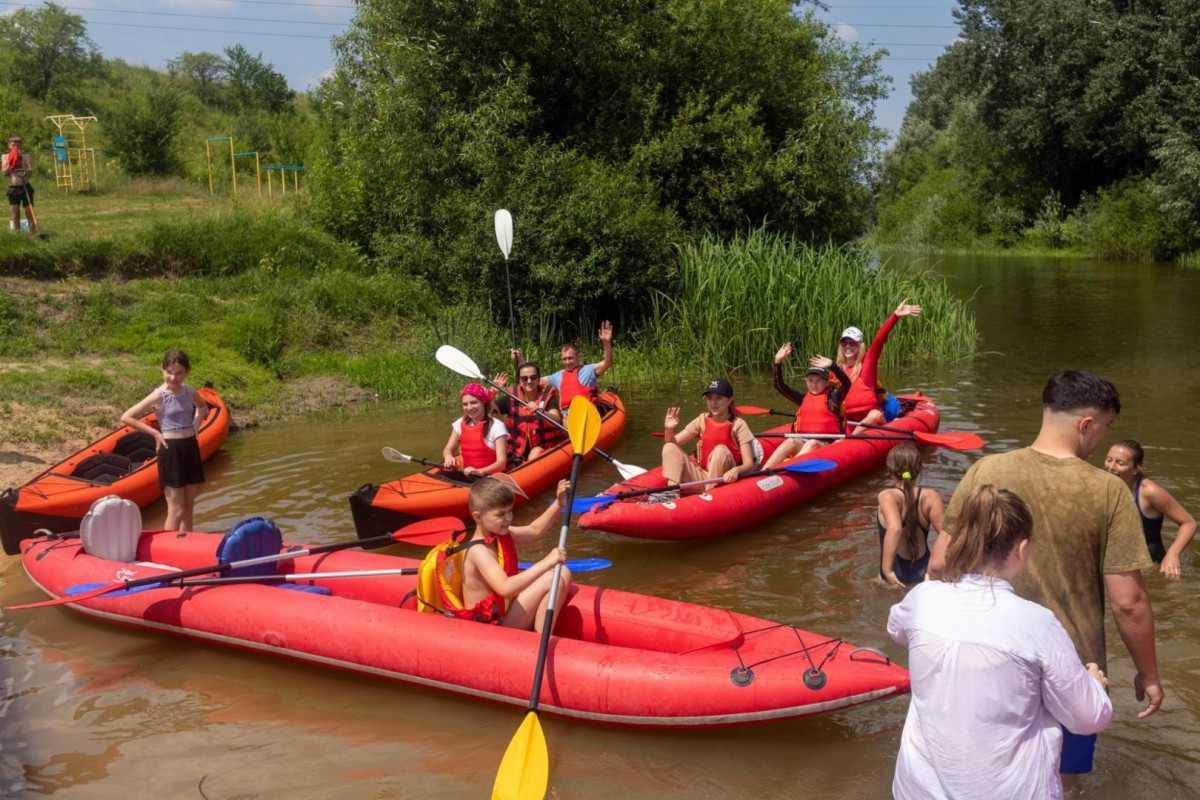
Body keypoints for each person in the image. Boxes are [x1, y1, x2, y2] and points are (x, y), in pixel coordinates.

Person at [928, 370, 1162, 785]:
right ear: (1087, 424)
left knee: (981, 777)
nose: (1102, 439)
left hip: (986, 660)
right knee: (1061, 784)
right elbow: (1129, 602)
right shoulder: (1107, 491)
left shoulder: (985, 469)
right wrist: (1149, 674)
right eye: (1105, 428)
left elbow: (940, 565)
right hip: (1072, 670)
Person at [888, 484, 1112, 800]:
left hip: (916, 790)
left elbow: (896, 629)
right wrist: (1094, 686)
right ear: (1021, 550)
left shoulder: (922, 599)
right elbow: (1088, 718)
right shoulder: (1038, 622)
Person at [460, 477, 572, 632]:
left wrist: (558, 504)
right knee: (553, 578)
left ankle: (542, 633)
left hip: (506, 611)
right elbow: (505, 588)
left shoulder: (500, 533)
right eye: (500, 515)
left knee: (563, 572)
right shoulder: (478, 551)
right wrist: (547, 562)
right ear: (478, 517)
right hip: (490, 628)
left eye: (510, 511)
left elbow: (535, 530)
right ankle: (539, 640)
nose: (508, 518)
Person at [120, 349, 209, 531]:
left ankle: (186, 547)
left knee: (188, 508)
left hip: (190, 447)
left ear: (187, 372)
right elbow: (127, 417)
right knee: (176, 510)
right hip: (170, 449)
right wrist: (155, 434)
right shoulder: (158, 395)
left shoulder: (189, 392)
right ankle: (169, 550)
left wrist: (196, 423)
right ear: (162, 369)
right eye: (169, 372)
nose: (173, 378)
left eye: (179, 373)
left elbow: (202, 406)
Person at [1105, 439, 1196, 578]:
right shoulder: (1104, 486)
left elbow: (1189, 523)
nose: (1111, 467)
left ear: (1136, 468)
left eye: (1120, 463)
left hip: (1151, 567)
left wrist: (1173, 554)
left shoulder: (1149, 492)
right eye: (1109, 460)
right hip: (1117, 563)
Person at [834, 298, 922, 430]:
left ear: (859, 346)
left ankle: (847, 441)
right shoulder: (835, 370)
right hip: (847, 420)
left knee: (874, 414)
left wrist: (895, 316)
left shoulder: (867, 365)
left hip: (872, 420)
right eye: (844, 343)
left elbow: (879, 340)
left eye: (852, 343)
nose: (847, 346)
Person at [660, 378, 758, 495]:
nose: (713, 403)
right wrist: (669, 429)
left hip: (724, 479)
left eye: (718, 398)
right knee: (669, 447)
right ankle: (672, 494)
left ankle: (710, 495)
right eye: (709, 398)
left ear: (730, 400)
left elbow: (749, 464)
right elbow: (672, 442)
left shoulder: (739, 425)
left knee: (720, 450)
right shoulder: (701, 420)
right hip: (703, 476)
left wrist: (735, 470)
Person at [760, 344, 850, 469]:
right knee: (789, 442)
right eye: (810, 380)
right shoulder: (803, 399)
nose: (814, 384)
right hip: (803, 441)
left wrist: (832, 366)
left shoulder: (833, 398)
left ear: (826, 383)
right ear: (806, 381)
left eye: (818, 381)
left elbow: (847, 383)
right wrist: (777, 362)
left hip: (826, 445)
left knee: (811, 444)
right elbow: (779, 386)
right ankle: (764, 471)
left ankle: (784, 471)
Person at [877, 443, 944, 588]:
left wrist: (886, 571)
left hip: (896, 573)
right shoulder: (931, 496)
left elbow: (895, 529)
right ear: (919, 469)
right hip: (924, 571)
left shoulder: (887, 496)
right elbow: (947, 535)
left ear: (890, 470)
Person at [494, 361, 564, 462]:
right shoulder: (510, 398)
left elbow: (556, 420)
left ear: (539, 378)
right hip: (515, 451)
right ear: (519, 381)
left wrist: (541, 411)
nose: (529, 381)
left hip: (542, 448)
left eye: (533, 377)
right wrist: (492, 392)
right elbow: (486, 411)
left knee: (535, 452)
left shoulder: (548, 398)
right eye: (524, 378)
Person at [542, 320, 614, 411]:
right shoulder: (557, 376)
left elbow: (607, 363)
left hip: (587, 416)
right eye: (564, 359)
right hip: (567, 418)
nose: (567, 362)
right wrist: (522, 364)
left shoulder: (589, 370)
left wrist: (606, 342)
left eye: (570, 358)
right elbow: (534, 380)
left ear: (579, 357)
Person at [442, 383, 508, 476]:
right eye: (465, 404)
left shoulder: (497, 426)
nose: (469, 407)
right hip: (467, 474)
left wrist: (479, 471)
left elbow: (501, 463)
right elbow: (448, 449)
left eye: (474, 402)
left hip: (489, 477)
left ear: (483, 402)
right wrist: (448, 456)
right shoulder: (460, 423)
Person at [3, 135, 36, 236]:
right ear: (9, 146)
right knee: (15, 213)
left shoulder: (26, 156)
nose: (16, 147)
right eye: (13, 145)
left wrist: (22, 162)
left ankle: (32, 234)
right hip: (13, 188)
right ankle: (18, 235)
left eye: (18, 144)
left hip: (25, 186)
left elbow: (30, 173)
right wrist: (12, 160)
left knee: (29, 212)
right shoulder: (5, 157)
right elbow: (4, 173)